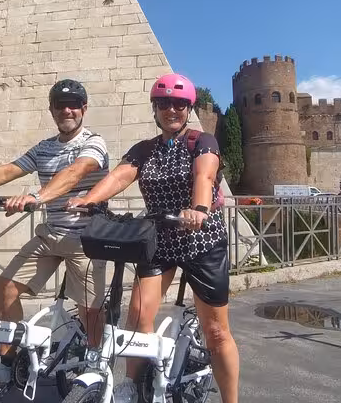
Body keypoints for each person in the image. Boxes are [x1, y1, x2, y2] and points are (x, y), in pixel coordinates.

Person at [67, 74, 240, 403]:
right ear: (155, 109)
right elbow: (120, 175)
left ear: (188, 108)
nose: (171, 109)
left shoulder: (201, 142)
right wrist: (88, 200)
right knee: (138, 316)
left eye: (178, 104)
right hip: (159, 241)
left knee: (216, 332)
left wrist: (199, 209)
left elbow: (204, 174)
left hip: (202, 240)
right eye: (163, 104)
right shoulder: (145, 150)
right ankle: (132, 383)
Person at [0, 79, 109, 391]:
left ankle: (97, 364)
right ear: (52, 110)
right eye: (60, 104)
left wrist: (37, 196)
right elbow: (9, 170)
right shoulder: (44, 147)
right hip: (51, 234)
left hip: (86, 239)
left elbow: (76, 173)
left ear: (84, 109)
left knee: (90, 310)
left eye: (73, 104)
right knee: (5, 287)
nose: (66, 110)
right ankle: (6, 365)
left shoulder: (93, 143)